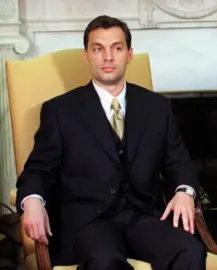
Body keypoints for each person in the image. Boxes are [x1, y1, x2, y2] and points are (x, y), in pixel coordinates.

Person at [16, 15, 206, 270]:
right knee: (104, 261)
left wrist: (185, 191)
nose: (108, 57)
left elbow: (180, 161)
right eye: (98, 49)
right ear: (86, 56)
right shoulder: (60, 111)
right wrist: (32, 199)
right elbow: (39, 168)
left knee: (190, 250)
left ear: (129, 54)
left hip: (144, 218)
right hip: (89, 223)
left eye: (116, 48)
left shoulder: (156, 107)